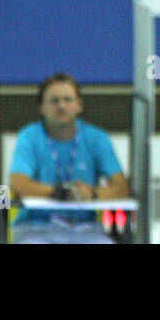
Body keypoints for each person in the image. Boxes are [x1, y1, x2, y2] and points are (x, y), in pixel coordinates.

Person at [7, 72, 130, 244]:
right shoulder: (29, 136)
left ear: (79, 105)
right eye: (54, 100)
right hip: (36, 227)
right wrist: (56, 192)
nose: (61, 106)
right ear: (41, 107)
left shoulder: (97, 138)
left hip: (84, 228)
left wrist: (92, 194)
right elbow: (17, 182)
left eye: (67, 99)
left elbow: (121, 187)